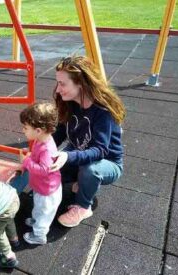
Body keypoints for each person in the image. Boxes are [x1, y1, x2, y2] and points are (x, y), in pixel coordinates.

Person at [50, 56, 125, 227]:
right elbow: (59, 133)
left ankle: (83, 207)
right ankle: (81, 182)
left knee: (89, 170)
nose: (58, 89)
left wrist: (67, 157)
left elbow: (100, 150)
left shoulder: (102, 112)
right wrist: (40, 150)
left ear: (80, 83)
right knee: (49, 168)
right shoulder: (69, 103)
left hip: (107, 162)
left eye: (62, 84)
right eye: (58, 83)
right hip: (80, 153)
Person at [19, 103, 62, 245]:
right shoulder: (41, 139)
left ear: (38, 130)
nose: (23, 130)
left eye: (25, 128)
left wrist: (26, 162)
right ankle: (36, 221)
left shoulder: (47, 149)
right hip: (42, 187)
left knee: (44, 212)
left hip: (47, 192)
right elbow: (37, 157)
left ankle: (39, 235)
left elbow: (44, 170)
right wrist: (30, 156)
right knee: (38, 207)